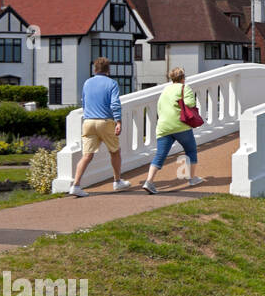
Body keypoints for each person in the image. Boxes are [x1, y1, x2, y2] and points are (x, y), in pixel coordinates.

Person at [67, 56, 131, 197]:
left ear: (94, 69)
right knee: (115, 151)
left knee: (87, 156)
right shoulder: (112, 83)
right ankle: (117, 181)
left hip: (88, 122)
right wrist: (118, 121)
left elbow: (84, 103)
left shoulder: (87, 83)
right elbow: (114, 104)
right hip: (105, 122)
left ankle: (76, 185)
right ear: (108, 69)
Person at [142, 67, 203, 194]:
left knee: (160, 155)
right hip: (180, 125)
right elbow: (190, 103)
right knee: (191, 150)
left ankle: (149, 181)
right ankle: (192, 179)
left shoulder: (165, 89)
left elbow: (159, 107)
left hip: (164, 127)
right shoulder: (184, 88)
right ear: (183, 78)